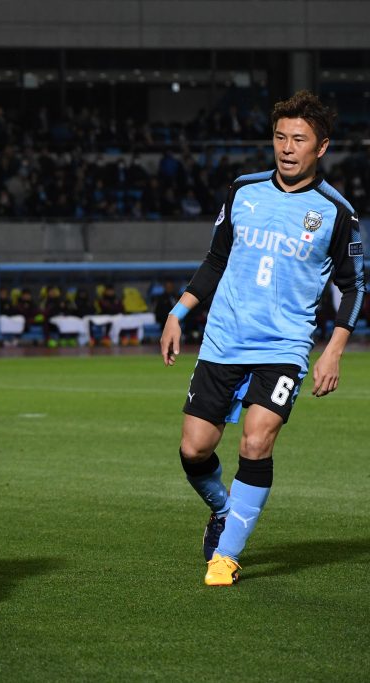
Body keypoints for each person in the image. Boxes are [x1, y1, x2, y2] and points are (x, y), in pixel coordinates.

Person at [160, 90, 365, 587]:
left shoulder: (336, 211)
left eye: (299, 139)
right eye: (280, 137)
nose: (287, 148)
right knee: (194, 450)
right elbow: (215, 260)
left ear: (322, 148)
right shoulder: (243, 191)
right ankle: (224, 509)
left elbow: (353, 286)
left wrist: (333, 351)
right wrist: (177, 313)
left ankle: (225, 557)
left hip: (285, 346)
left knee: (255, 442)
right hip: (224, 338)